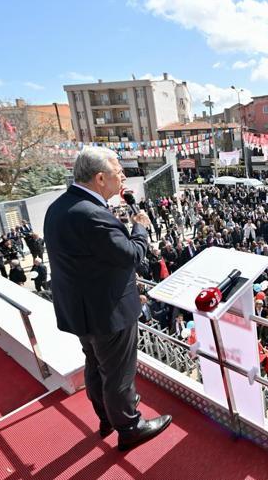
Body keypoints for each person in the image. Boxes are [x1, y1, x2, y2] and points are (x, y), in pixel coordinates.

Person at [44, 147, 171, 451]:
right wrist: (139, 226)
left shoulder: (61, 206)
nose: (123, 176)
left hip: (80, 309)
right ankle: (129, 426)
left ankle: (106, 418)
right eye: (118, 170)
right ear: (100, 178)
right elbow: (131, 256)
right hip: (107, 310)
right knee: (118, 373)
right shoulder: (91, 215)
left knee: (95, 364)